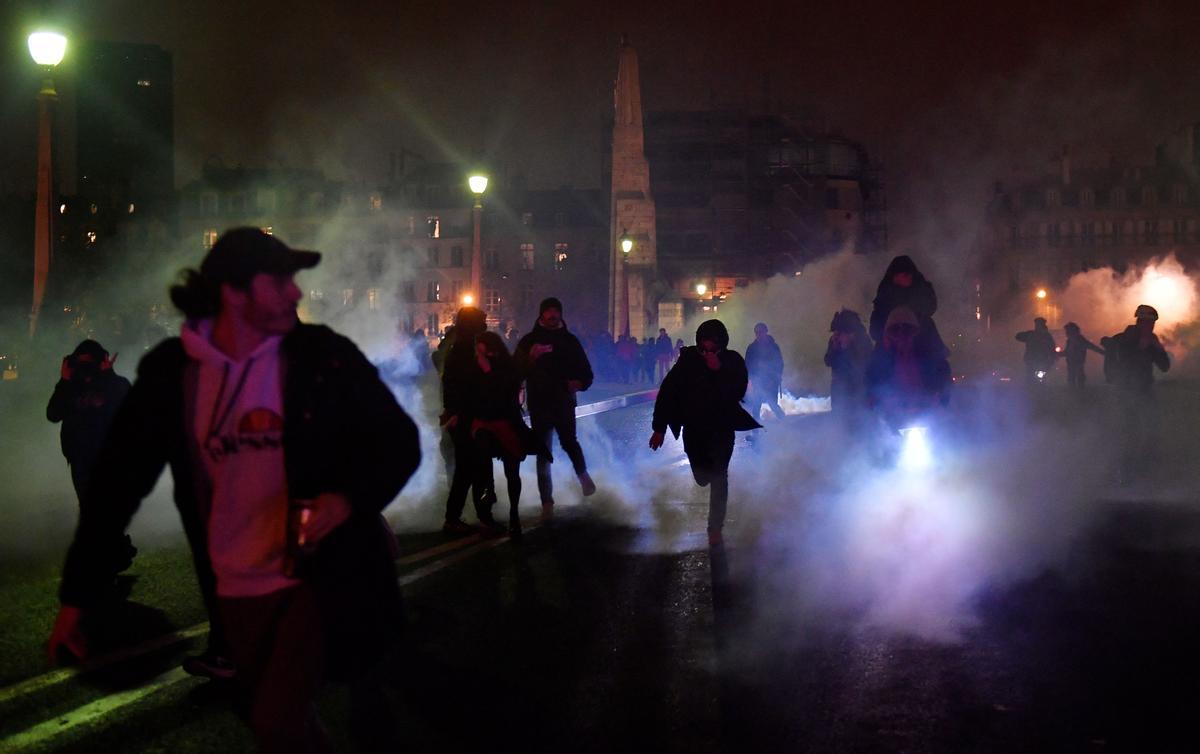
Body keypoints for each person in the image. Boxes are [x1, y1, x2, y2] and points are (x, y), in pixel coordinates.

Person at [46, 228, 421, 753]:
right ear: (234, 292)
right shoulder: (173, 372)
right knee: (265, 713)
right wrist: (77, 596)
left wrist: (347, 499)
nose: (296, 293)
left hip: (314, 574)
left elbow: (399, 441)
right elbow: (116, 482)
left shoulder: (322, 357)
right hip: (233, 584)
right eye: (281, 281)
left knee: (276, 720)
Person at [650, 320, 761, 547]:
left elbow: (739, 391)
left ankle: (715, 528)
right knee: (702, 478)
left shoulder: (733, 361)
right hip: (694, 429)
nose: (707, 352)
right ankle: (704, 479)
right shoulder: (688, 361)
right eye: (704, 348)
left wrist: (718, 370)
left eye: (713, 348)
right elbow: (668, 392)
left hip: (722, 429)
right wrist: (659, 428)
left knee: (720, 476)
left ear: (721, 345)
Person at [47, 339, 136, 585]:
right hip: (82, 460)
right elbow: (53, 414)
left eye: (90, 363)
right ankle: (111, 561)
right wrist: (64, 381)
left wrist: (108, 376)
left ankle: (114, 556)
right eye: (81, 363)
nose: (85, 369)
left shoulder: (113, 384)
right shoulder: (70, 387)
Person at [514, 297, 597, 519]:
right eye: (548, 314)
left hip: (563, 401)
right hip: (539, 403)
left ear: (560, 315)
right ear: (541, 316)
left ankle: (583, 476)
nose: (552, 318)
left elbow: (586, 373)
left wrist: (578, 383)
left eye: (555, 314)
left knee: (569, 442)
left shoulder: (570, 341)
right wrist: (531, 358)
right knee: (544, 452)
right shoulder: (528, 341)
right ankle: (546, 502)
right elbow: (515, 373)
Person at [469, 331, 548, 538]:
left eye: (481, 346)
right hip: (485, 421)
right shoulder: (475, 366)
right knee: (481, 448)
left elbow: (506, 390)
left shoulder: (506, 367)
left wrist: (488, 372)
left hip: (506, 422)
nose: (478, 350)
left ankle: (514, 515)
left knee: (512, 471)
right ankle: (490, 490)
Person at [441, 307, 503, 534]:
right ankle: (482, 517)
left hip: (468, 418)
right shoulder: (466, 350)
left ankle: (456, 517)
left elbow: (450, 385)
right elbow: (465, 385)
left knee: (467, 471)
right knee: (479, 470)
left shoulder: (461, 348)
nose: (485, 323)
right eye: (481, 320)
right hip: (472, 419)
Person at [1103, 304, 1170, 483]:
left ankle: (1145, 469)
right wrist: (1141, 347)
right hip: (1126, 392)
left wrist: (1157, 347)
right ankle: (1123, 472)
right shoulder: (1126, 338)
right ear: (1140, 321)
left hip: (1145, 391)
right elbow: (1124, 361)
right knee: (1129, 431)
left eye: (1153, 323)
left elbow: (1164, 366)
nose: (1152, 326)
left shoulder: (1151, 339)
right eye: (1149, 323)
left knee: (1151, 429)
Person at [866, 306, 951, 426]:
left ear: (915, 332)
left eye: (907, 330)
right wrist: (876, 403)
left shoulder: (928, 355)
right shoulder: (881, 357)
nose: (901, 336)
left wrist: (940, 401)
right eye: (895, 331)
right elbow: (872, 382)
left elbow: (943, 378)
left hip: (924, 412)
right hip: (893, 416)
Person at [869, 254, 947, 357]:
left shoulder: (921, 291)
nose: (908, 278)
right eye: (904, 275)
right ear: (895, 277)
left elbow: (930, 307)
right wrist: (886, 335)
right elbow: (875, 327)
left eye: (909, 275)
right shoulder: (884, 295)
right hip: (890, 348)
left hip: (920, 345)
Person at [823, 309, 872, 429]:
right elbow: (828, 361)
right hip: (839, 387)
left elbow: (862, 364)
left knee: (859, 421)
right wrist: (835, 349)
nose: (836, 335)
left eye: (840, 333)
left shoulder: (863, 341)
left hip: (858, 388)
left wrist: (847, 348)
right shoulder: (834, 341)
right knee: (839, 419)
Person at [744, 322, 786, 421]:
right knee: (756, 405)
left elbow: (779, 363)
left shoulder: (773, 347)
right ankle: (756, 430)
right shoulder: (752, 348)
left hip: (771, 381)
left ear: (766, 332)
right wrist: (751, 378)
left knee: (772, 404)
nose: (759, 334)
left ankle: (784, 423)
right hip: (758, 381)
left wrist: (777, 375)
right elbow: (747, 364)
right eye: (757, 332)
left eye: (761, 332)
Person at [1061, 322, 1104, 391]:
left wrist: (1104, 353)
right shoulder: (1071, 340)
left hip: (1077, 362)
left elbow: (1091, 346)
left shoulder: (1079, 339)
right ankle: (1077, 393)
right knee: (1074, 378)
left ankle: (1078, 394)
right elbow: (1067, 352)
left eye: (1067, 331)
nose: (1066, 333)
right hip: (1074, 362)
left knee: (1077, 378)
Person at [1015, 317, 1057, 383]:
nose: (1038, 326)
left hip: (1040, 361)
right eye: (1037, 324)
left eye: (1039, 324)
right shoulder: (1033, 334)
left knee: (1037, 379)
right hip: (1033, 361)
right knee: (1032, 379)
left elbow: (1051, 348)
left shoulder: (1043, 335)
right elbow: (1018, 336)